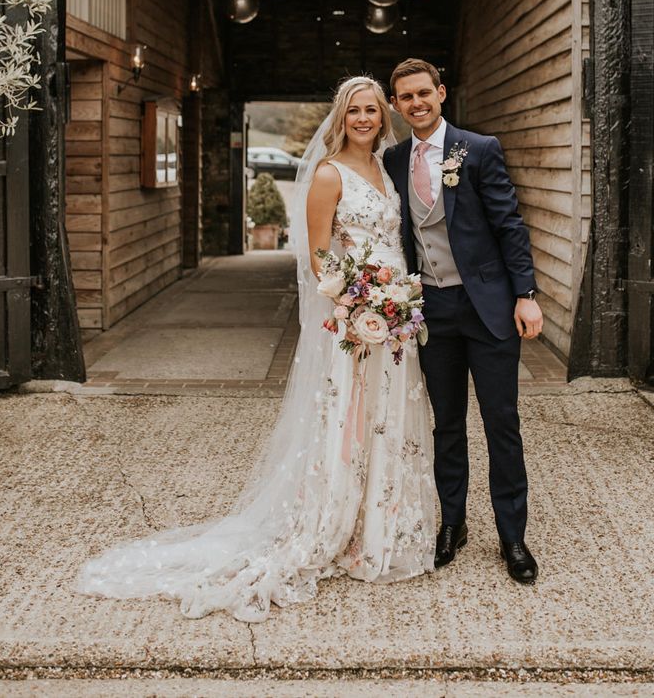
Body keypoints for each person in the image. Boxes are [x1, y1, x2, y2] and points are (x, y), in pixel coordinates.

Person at [75, 76, 435, 622]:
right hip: (358, 320)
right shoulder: (327, 173)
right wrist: (361, 305)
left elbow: (392, 243)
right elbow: (318, 258)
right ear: (341, 117)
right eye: (354, 110)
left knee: (385, 421)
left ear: (384, 117)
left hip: (394, 322)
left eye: (371, 110)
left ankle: (377, 525)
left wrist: (397, 301)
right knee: (350, 423)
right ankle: (336, 522)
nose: (364, 118)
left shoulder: (384, 170)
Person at [384, 58, 542, 584]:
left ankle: (512, 535)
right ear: (396, 104)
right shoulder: (393, 159)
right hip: (432, 308)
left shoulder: (478, 149)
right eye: (406, 97)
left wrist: (525, 294)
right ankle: (453, 523)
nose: (416, 103)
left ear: (441, 93)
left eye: (424, 93)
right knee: (447, 424)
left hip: (488, 307)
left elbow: (509, 225)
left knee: (502, 423)